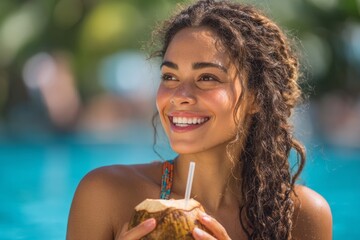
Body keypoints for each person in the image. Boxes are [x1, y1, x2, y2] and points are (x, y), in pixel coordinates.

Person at [66, 0, 332, 239]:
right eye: (170, 77)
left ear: (257, 98)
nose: (179, 96)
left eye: (207, 78)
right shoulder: (107, 195)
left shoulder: (302, 216)